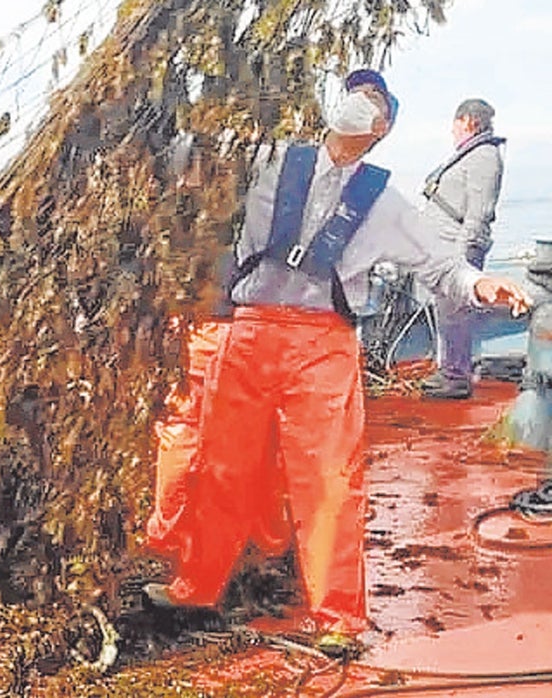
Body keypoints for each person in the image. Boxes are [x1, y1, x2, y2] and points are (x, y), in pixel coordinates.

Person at [143, 71, 529, 653]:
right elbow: (187, 161)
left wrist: (482, 286)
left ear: (383, 128)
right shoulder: (265, 161)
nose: (360, 102)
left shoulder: (386, 204)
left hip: (323, 344)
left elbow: (442, 268)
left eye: (374, 99)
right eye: (354, 91)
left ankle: (337, 618)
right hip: (248, 332)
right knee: (221, 466)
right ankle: (194, 586)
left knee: (329, 480)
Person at [419, 99, 506, 399]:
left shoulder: (484, 155)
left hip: (458, 250)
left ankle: (456, 378)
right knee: (447, 312)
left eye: (455, 124)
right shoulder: (472, 155)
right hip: (444, 249)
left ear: (468, 121)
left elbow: (478, 212)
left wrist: (461, 257)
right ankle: (449, 369)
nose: (452, 131)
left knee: (456, 313)